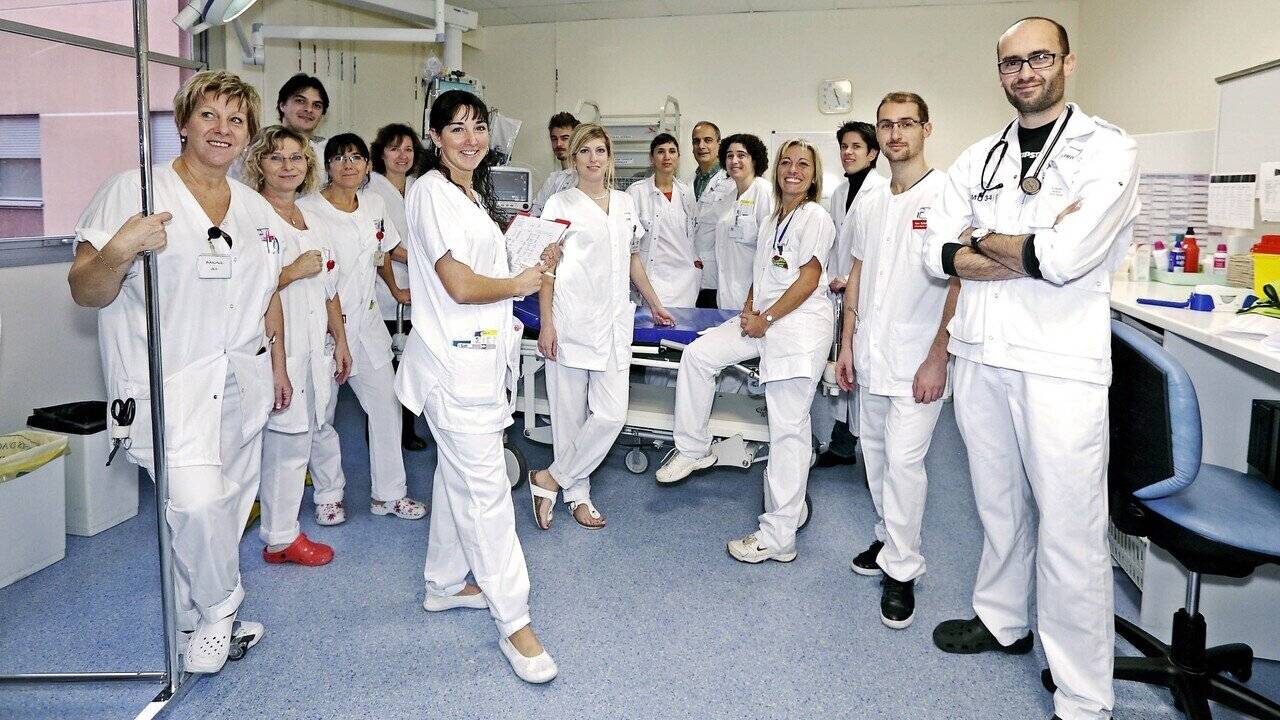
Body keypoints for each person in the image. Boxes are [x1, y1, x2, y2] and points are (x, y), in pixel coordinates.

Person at [922, 17, 1139, 720]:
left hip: (1058, 363)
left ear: (1067, 63)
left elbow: (1066, 258)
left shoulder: (1107, 149)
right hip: (980, 352)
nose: (1025, 72)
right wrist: (1024, 247)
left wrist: (981, 237)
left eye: (1039, 57)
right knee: (997, 506)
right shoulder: (977, 157)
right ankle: (1002, 620)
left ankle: (1083, 694)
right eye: (1011, 62)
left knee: (1071, 530)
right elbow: (935, 253)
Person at [68, 70, 285, 673]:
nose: (222, 129)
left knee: (228, 507)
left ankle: (195, 618)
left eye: (236, 119)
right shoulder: (134, 189)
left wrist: (277, 362)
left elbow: (264, 292)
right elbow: (85, 291)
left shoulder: (254, 207)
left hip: (241, 378)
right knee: (195, 502)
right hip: (170, 382)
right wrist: (121, 249)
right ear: (184, 123)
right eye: (208, 115)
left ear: (248, 134)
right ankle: (221, 607)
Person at [397, 89, 558, 683]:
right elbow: (460, 285)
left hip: (480, 361)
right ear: (435, 137)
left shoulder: (468, 194)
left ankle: (443, 585)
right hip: (452, 366)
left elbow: (485, 269)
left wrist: (533, 260)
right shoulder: (429, 191)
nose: (471, 138)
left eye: (479, 127)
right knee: (486, 492)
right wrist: (520, 282)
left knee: (455, 476)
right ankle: (514, 621)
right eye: (457, 128)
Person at [656, 139, 836, 564]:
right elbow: (763, 270)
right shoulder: (775, 217)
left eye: (803, 164)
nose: (793, 170)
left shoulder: (815, 217)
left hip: (797, 329)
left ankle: (779, 536)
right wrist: (751, 309)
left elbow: (808, 279)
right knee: (698, 355)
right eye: (786, 162)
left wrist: (766, 318)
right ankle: (694, 448)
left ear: (814, 174)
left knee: (787, 431)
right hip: (763, 320)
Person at [835, 92, 957, 630]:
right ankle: (888, 537)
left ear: (926, 129)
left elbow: (959, 280)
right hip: (871, 352)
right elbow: (857, 274)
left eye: (906, 123)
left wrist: (939, 356)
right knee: (876, 455)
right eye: (886, 125)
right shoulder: (870, 200)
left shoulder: (947, 195)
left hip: (918, 359)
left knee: (905, 464)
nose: (895, 134)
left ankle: (903, 568)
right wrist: (846, 344)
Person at [527, 124, 675, 530]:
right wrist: (546, 324)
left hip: (613, 324)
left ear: (610, 158)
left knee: (611, 414)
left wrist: (655, 304)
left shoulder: (625, 203)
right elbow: (547, 269)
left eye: (600, 151)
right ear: (573, 158)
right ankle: (577, 496)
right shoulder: (560, 203)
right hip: (571, 321)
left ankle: (550, 478)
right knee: (569, 418)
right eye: (585, 151)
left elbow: (632, 259)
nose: (593, 158)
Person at [298, 133, 426, 524]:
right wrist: (337, 336)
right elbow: (317, 278)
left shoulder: (374, 204)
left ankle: (389, 495)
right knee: (322, 416)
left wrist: (396, 289)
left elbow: (381, 252)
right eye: (339, 158)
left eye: (356, 157)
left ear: (367, 165)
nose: (348, 164)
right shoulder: (308, 209)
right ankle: (328, 496)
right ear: (327, 166)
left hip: (367, 325)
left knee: (387, 406)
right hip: (322, 329)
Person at [243, 125, 346, 568]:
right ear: (259, 164)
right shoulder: (252, 216)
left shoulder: (313, 218)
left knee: (304, 436)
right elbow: (250, 288)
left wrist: (341, 340)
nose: (288, 166)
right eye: (276, 157)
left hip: (313, 347)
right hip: (275, 349)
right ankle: (280, 537)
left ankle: (283, 530)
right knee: (284, 445)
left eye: (296, 157)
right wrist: (291, 271)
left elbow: (329, 286)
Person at [813, 121, 889, 468]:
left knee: (861, 372)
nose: (848, 152)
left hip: (863, 294)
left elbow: (877, 250)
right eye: (844, 146)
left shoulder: (883, 192)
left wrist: (849, 278)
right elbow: (834, 244)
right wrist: (830, 278)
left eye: (856, 146)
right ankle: (843, 445)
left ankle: (872, 453)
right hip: (838, 292)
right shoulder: (840, 193)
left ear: (873, 153)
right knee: (843, 369)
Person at [368, 123, 430, 451]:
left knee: (410, 364)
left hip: (420, 289)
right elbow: (383, 246)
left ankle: (406, 429)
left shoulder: (418, 186)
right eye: (394, 149)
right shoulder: (371, 190)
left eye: (408, 149)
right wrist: (427, 262)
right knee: (385, 370)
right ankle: (383, 432)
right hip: (385, 290)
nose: (402, 156)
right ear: (381, 154)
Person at [627, 133, 699, 308]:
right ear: (652, 158)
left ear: (678, 157)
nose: (667, 157)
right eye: (660, 152)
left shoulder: (686, 192)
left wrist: (696, 262)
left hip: (685, 279)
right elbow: (628, 241)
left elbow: (693, 232)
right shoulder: (636, 193)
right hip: (652, 278)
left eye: (672, 151)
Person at [711, 133, 773, 312]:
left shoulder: (764, 191)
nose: (734, 160)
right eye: (729, 156)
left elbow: (769, 250)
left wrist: (752, 300)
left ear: (754, 160)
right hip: (726, 294)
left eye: (741, 155)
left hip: (753, 299)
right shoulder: (728, 199)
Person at [690, 121, 732, 308]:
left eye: (708, 140)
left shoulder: (731, 182)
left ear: (719, 145)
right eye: (696, 141)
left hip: (717, 274)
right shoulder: (689, 183)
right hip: (691, 273)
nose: (701, 146)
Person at [530, 112, 580, 217]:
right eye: (554, 139)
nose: (558, 144)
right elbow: (535, 212)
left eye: (565, 138)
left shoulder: (584, 179)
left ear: (577, 140)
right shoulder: (553, 179)